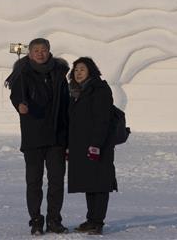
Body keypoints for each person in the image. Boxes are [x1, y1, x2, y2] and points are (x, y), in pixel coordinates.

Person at [5, 38, 71, 235]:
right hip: (33, 136)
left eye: (44, 50)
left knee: (56, 181)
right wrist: (20, 105)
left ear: (49, 51)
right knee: (34, 181)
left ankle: (54, 220)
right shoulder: (22, 72)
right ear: (30, 53)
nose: (40, 53)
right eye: (36, 50)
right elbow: (16, 94)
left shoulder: (59, 72)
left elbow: (66, 102)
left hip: (57, 136)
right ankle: (35, 220)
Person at [67, 57, 117, 235]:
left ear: (91, 71)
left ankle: (97, 222)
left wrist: (96, 145)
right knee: (89, 183)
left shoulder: (99, 89)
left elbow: (103, 119)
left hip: (98, 144)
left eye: (82, 69)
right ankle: (91, 219)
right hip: (82, 145)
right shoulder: (76, 91)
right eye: (76, 70)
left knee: (100, 184)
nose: (78, 73)